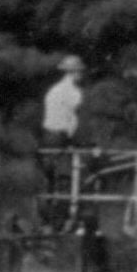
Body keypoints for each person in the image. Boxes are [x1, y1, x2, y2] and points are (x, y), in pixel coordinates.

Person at [39, 55, 86, 226]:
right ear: (73, 72)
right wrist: (76, 141)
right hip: (61, 137)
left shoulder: (53, 90)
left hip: (47, 136)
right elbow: (74, 119)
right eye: (80, 71)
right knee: (65, 179)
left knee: (49, 179)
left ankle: (46, 220)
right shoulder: (73, 92)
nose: (82, 74)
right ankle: (61, 221)